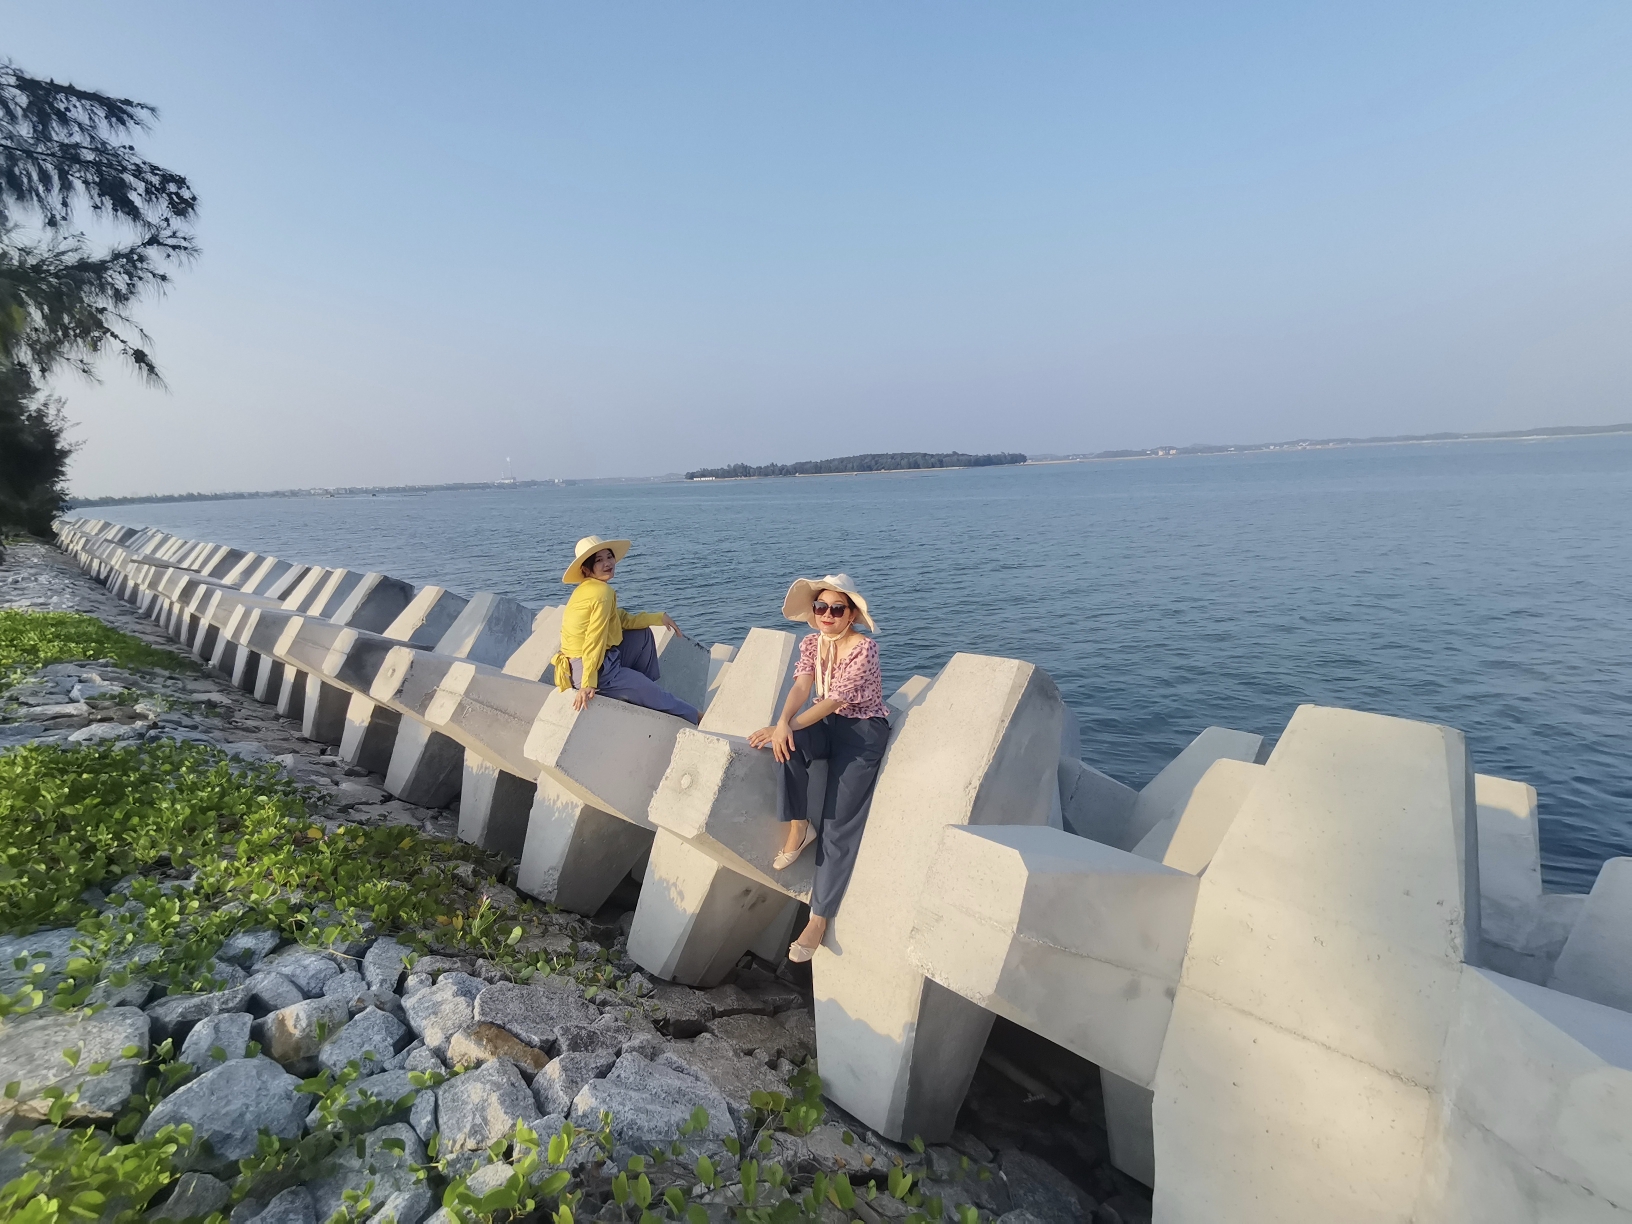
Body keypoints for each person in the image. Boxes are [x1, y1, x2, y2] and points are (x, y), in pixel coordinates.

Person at [748, 573, 890, 963]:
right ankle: (799, 826)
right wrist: (782, 723)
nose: (827, 614)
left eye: (836, 609)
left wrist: (788, 726)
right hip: (824, 724)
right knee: (786, 746)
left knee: (838, 824)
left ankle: (819, 918)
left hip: (862, 735)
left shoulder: (865, 649)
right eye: (820, 607)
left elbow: (834, 701)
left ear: (852, 614)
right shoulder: (812, 642)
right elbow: (801, 687)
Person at [550, 534, 701, 724]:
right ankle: (693, 715)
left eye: (609, 557)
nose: (607, 563)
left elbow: (620, 619)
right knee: (649, 690)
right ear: (586, 568)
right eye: (599, 560)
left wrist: (657, 618)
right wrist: (588, 683)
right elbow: (594, 640)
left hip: (599, 660)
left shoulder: (588, 588)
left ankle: (639, 691)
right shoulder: (601, 593)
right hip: (590, 670)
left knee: (642, 634)